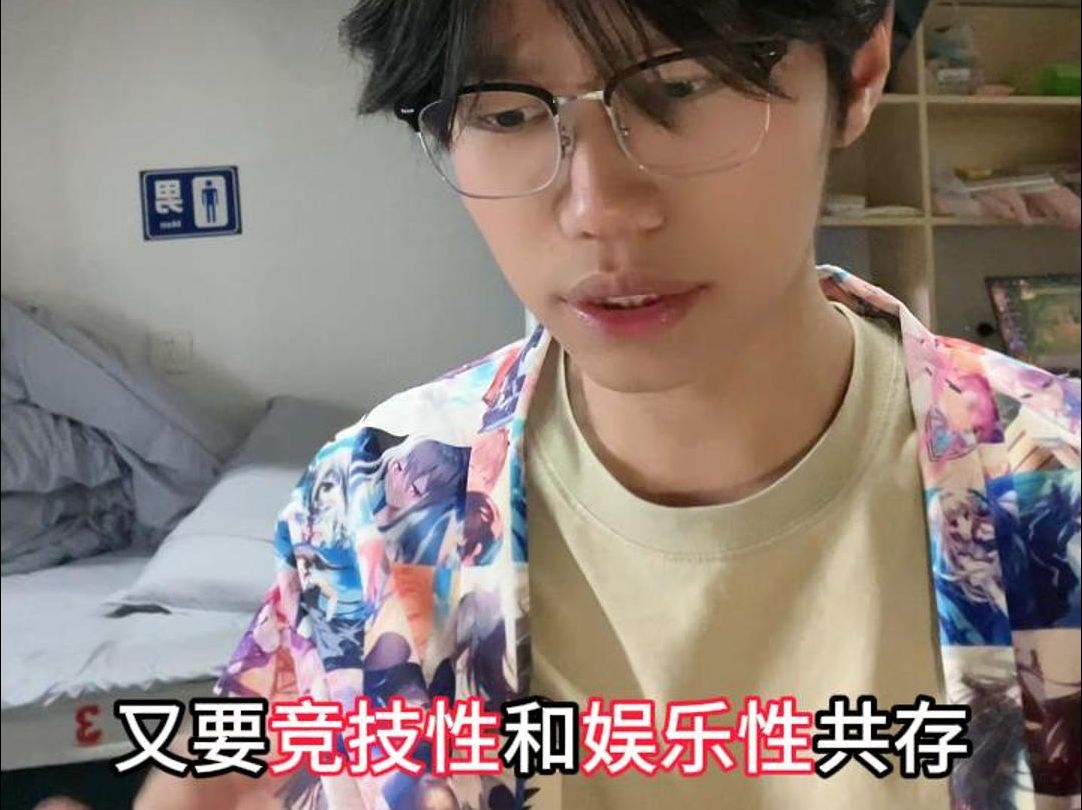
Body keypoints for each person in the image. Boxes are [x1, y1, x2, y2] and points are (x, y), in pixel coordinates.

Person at [138, 0, 1081, 808]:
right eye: (505, 112)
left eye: (682, 86)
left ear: (861, 71)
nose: (597, 206)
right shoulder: (375, 501)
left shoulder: (1056, 489)